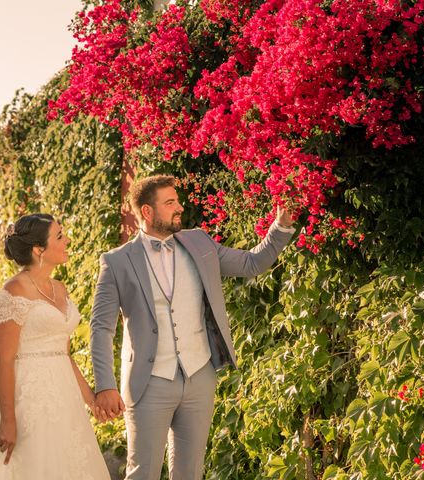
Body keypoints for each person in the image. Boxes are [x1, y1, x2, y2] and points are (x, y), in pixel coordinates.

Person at [90, 175, 295, 479]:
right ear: (147, 212)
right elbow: (101, 328)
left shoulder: (199, 242)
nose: (179, 207)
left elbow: (252, 263)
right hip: (148, 383)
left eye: (177, 200)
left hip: (199, 375)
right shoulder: (117, 262)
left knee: (191, 473)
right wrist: (105, 385)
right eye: (170, 202)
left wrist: (281, 226)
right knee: (142, 473)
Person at [0, 213, 110, 480]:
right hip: (27, 399)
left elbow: (64, 353)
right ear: (40, 250)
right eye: (60, 236)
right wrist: (8, 420)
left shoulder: (61, 289)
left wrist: (91, 400)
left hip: (64, 397)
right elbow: (4, 360)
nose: (68, 240)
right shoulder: (13, 292)